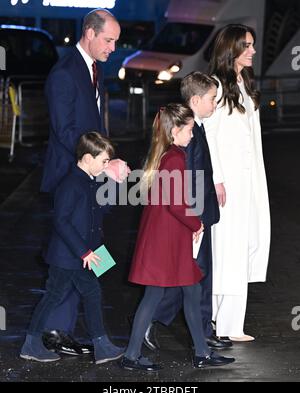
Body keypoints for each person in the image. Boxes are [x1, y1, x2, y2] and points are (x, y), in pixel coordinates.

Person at [120, 104, 235, 371]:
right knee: (156, 296)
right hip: (167, 240)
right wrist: (196, 223)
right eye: (189, 130)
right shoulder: (174, 158)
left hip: (168, 237)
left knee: (189, 291)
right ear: (175, 131)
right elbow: (176, 203)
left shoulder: (167, 154)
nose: (192, 135)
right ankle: (132, 355)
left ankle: (200, 352)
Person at [40, 8, 126, 355]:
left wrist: (103, 164)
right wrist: (102, 163)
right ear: (89, 33)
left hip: (87, 175)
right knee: (71, 253)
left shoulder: (94, 68)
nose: (112, 48)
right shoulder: (64, 73)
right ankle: (52, 331)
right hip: (70, 177)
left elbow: (90, 124)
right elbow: (66, 132)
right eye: (108, 40)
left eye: (116, 42)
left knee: (87, 248)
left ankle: (61, 327)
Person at [141, 72, 232, 351]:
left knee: (199, 273)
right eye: (211, 99)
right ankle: (152, 321)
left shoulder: (197, 127)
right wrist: (192, 220)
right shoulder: (188, 133)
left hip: (197, 213)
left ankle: (202, 329)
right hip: (193, 215)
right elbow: (187, 178)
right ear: (195, 100)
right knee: (192, 274)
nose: (215, 104)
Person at [20, 132, 125, 363]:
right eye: (103, 161)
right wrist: (85, 252)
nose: (106, 166)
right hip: (69, 256)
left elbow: (92, 217)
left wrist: (92, 250)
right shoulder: (71, 183)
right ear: (88, 158)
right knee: (55, 296)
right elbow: (61, 221)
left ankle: (101, 345)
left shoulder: (86, 180)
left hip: (81, 255)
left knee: (86, 294)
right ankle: (32, 344)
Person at [204, 24, 271, 341]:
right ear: (231, 48)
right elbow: (209, 137)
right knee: (228, 248)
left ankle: (225, 321)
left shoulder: (244, 83)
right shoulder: (215, 86)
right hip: (228, 183)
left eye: (253, 45)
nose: (253, 51)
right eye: (246, 45)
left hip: (248, 181)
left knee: (240, 245)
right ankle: (225, 324)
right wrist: (217, 179)